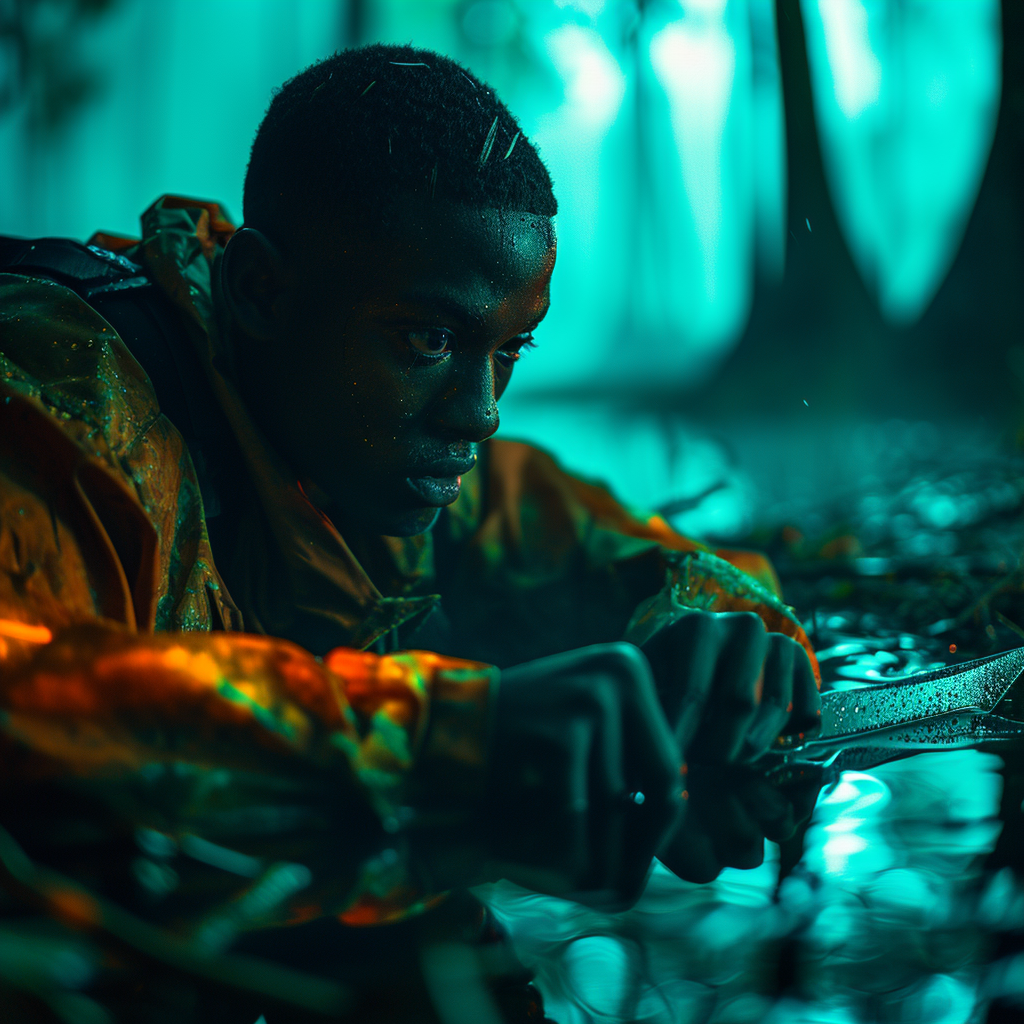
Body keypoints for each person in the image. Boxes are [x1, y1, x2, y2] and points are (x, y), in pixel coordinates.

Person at [0, 43, 820, 1020]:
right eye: (427, 338)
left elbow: (634, 549)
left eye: (507, 348)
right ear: (260, 293)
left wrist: (725, 627)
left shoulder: (391, 443)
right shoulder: (67, 417)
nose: (479, 414)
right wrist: (438, 737)